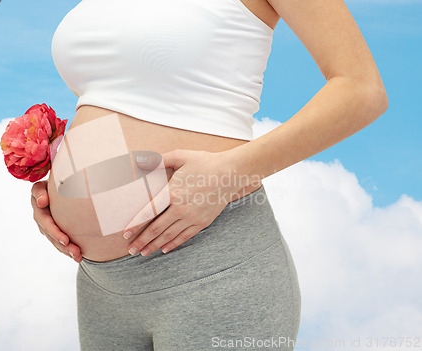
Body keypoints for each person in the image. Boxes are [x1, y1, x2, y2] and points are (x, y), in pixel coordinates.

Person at [31, 0, 388, 349]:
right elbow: (124, 95)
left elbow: (362, 88)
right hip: (101, 285)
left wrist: (232, 171)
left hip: (211, 267)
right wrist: (63, 181)